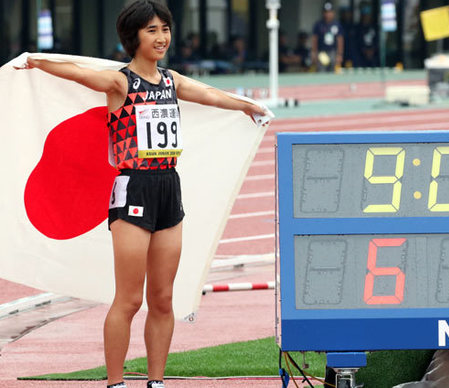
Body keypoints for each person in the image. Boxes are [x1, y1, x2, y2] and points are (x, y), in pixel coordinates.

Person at [14, 1, 268, 388]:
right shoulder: (120, 83)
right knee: (130, 299)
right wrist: (36, 60)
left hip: (169, 187)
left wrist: (247, 106)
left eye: (165, 28)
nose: (161, 37)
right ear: (133, 37)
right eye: (151, 30)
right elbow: (78, 74)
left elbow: (210, 95)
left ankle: (156, 381)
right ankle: (116, 382)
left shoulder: (171, 80)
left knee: (163, 299)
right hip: (133, 187)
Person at [311, 1, 344, 72]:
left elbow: (340, 40)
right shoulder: (318, 24)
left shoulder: (337, 25)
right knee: (321, 71)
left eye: (329, 12)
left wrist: (339, 54)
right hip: (322, 52)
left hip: (333, 52)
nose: (327, 14)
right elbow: (314, 39)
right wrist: (314, 53)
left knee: (333, 72)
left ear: (333, 13)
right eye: (326, 12)